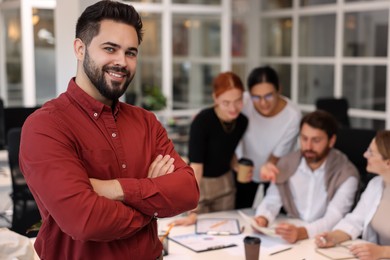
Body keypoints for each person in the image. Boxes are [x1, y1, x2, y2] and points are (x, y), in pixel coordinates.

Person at [19, 1, 199, 259]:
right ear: (80, 49)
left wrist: (116, 189)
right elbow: (84, 220)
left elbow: (188, 191)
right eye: (110, 49)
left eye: (131, 53)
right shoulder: (46, 126)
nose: (121, 62)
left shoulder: (146, 122)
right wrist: (151, 201)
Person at [254, 110, 359, 243]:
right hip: (291, 234)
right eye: (304, 139)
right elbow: (273, 199)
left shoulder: (346, 173)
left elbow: (335, 217)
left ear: (331, 141)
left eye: (316, 140)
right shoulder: (286, 163)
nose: (308, 146)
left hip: (325, 238)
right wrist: (262, 218)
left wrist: (301, 233)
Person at [172, 72, 248, 226]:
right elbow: (197, 166)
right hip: (202, 186)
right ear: (215, 99)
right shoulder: (202, 121)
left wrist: (237, 167)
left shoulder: (242, 122)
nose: (233, 108)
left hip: (226, 185)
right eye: (226, 102)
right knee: (199, 232)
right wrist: (192, 208)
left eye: (238, 101)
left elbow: (228, 149)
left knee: (226, 231)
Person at [315, 131, 390, 260]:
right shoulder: (376, 185)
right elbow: (355, 221)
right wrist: (333, 237)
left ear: (388, 163)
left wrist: (383, 252)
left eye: (371, 152)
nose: (365, 155)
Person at [235, 66, 302, 208]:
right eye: (257, 97)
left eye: (269, 95)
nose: (263, 103)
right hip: (246, 169)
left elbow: (276, 156)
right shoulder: (244, 102)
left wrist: (266, 168)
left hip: (275, 170)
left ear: (279, 90)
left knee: (272, 215)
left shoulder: (292, 115)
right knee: (238, 210)